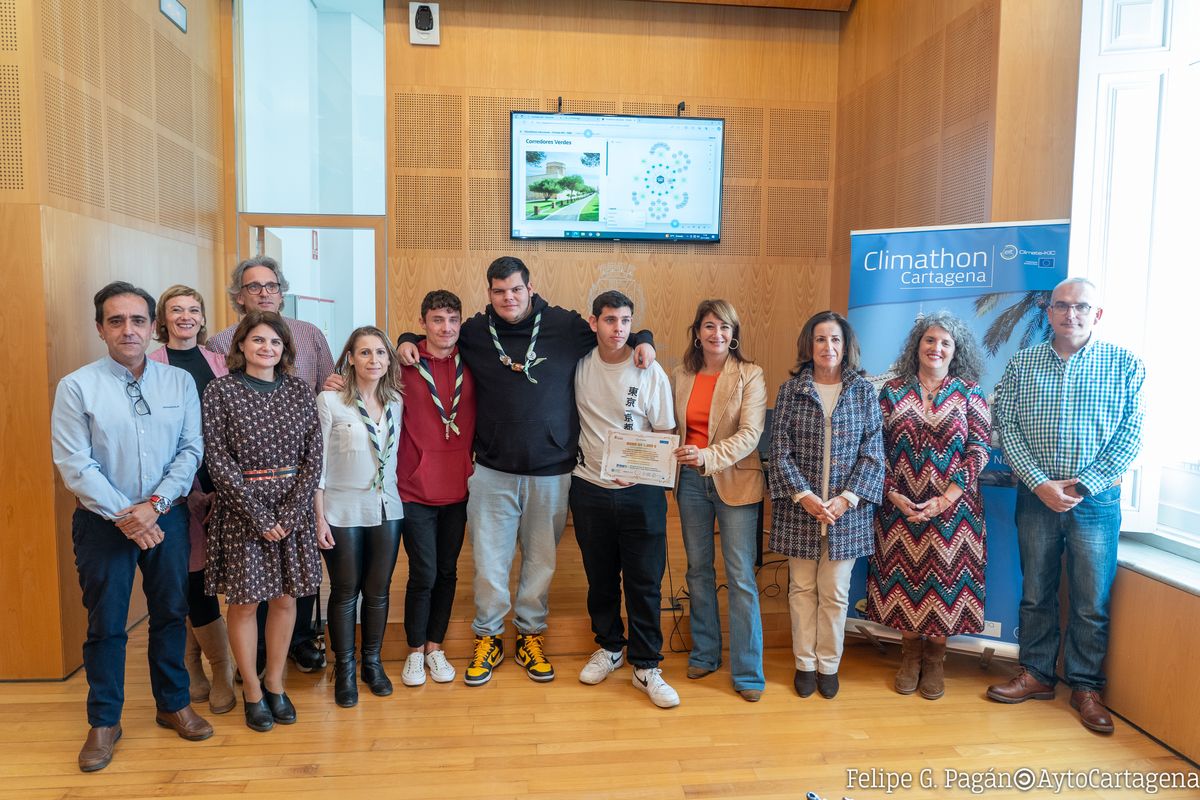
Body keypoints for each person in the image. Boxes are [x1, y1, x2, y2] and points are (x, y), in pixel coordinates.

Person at [395, 256, 656, 686]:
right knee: (490, 564)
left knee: (540, 563)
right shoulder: (476, 331)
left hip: (552, 471)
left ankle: (530, 635)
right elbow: (436, 337)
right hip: (492, 469)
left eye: (516, 289)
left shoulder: (565, 326)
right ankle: (489, 636)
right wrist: (406, 336)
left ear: (530, 289)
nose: (508, 298)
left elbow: (614, 330)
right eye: (499, 291)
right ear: (489, 294)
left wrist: (644, 337)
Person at [51, 281, 211, 772]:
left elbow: (190, 450)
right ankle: (104, 721)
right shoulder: (78, 386)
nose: (128, 329)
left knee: (170, 611)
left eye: (138, 320)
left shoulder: (178, 384)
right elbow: (74, 463)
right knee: (107, 623)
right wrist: (128, 514)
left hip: (165, 516)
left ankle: (173, 704)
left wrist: (156, 506)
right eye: (116, 321)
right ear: (100, 328)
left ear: (151, 327)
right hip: (103, 524)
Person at [987, 278, 1145, 734]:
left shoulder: (1125, 365)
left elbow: (1130, 435)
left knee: (1090, 600)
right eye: (1061, 306)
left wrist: (1083, 485)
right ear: (1049, 311)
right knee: (1036, 590)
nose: (1069, 314)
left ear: (1097, 315)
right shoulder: (1023, 363)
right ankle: (1036, 674)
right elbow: (1007, 427)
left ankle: (1086, 686)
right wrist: (1038, 483)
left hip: (1095, 502)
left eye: (1080, 307)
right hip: (1035, 499)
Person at [207, 255, 334, 673]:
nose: (264, 293)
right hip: (245, 500)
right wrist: (257, 512)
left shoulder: (310, 337)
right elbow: (218, 451)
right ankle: (253, 665)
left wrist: (300, 506)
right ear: (239, 297)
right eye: (254, 286)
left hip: (295, 493)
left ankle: (295, 647)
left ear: (282, 290)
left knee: (292, 590)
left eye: (271, 285)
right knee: (248, 595)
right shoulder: (220, 351)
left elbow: (327, 396)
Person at [203, 310, 324, 732]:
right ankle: (251, 690)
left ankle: (275, 682)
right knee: (245, 603)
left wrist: (290, 514)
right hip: (243, 512)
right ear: (241, 346)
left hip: (292, 511)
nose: (266, 348)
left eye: (274, 342)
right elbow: (217, 459)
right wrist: (258, 515)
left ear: (284, 349)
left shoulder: (298, 391)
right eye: (257, 340)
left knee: (286, 600)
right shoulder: (221, 392)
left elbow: (314, 458)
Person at [864, 312, 991, 700]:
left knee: (943, 581)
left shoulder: (970, 393)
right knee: (905, 579)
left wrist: (946, 499)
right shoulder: (891, 392)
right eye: (929, 341)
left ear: (956, 351)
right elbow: (872, 448)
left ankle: (936, 659)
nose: (936, 348)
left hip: (955, 511)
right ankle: (910, 656)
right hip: (897, 505)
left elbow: (979, 448)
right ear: (916, 346)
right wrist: (891, 494)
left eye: (945, 343)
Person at [768, 311, 884, 700]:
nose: (828, 347)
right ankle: (804, 664)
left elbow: (873, 453)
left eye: (835, 340)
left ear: (845, 345)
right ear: (809, 345)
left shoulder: (863, 391)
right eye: (820, 339)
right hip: (801, 509)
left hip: (845, 513)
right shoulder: (791, 390)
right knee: (801, 589)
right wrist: (806, 496)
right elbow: (780, 450)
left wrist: (845, 499)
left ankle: (828, 666)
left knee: (835, 592)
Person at [571, 291, 678, 708]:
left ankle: (647, 664)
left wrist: (640, 468)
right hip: (589, 488)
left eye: (626, 321)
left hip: (642, 493)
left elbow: (665, 433)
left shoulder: (650, 370)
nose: (619, 329)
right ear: (593, 321)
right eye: (610, 320)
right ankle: (610, 647)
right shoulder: (579, 365)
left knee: (644, 581)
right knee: (600, 578)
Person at [671, 299, 767, 702]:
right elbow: (668, 427)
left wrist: (707, 456)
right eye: (710, 326)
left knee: (741, 576)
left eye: (725, 328)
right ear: (697, 332)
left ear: (734, 334)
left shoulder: (750, 374)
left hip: (736, 481)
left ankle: (748, 672)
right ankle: (706, 652)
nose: (717, 334)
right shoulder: (679, 374)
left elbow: (750, 435)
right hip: (690, 483)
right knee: (697, 571)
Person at [147, 285, 235, 716]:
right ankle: (196, 664)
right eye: (176, 310)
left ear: (203, 318)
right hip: (174, 489)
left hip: (222, 486)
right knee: (185, 577)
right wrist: (188, 489)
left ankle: (223, 665)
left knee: (216, 578)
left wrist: (222, 486)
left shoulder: (220, 363)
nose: (185, 316)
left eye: (193, 310)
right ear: (163, 319)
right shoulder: (148, 364)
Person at [315, 326, 405, 708]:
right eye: (364, 353)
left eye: (380, 353)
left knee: (379, 591)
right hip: (340, 508)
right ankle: (345, 668)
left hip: (386, 506)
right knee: (345, 591)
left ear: (389, 360)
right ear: (350, 358)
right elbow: (317, 466)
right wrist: (318, 519)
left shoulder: (396, 402)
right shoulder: (330, 400)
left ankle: (372, 663)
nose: (373, 360)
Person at [395, 291, 476, 688]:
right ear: (423, 322)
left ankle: (435, 646)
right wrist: (402, 341)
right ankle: (413, 651)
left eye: (453, 320)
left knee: (447, 571)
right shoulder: (403, 363)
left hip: (459, 487)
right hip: (414, 489)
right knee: (423, 572)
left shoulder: (473, 360)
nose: (446, 328)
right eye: (437, 320)